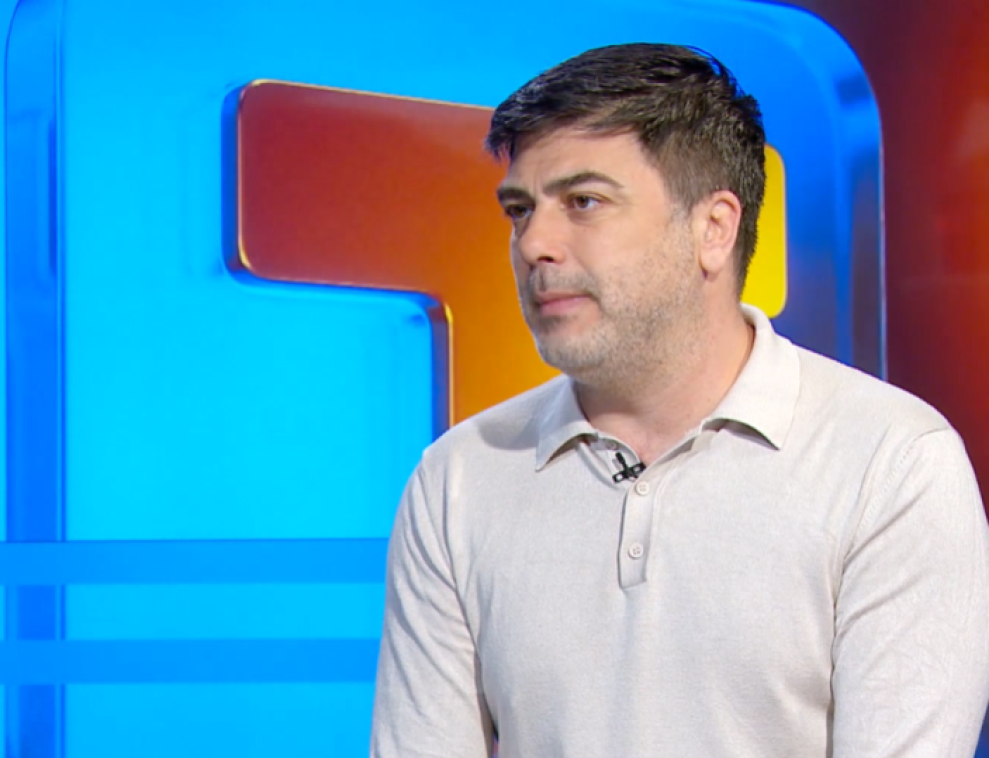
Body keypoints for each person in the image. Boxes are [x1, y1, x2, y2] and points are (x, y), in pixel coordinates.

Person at [369, 43, 989, 757]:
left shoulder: (892, 464)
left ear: (713, 229)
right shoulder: (458, 479)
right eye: (520, 210)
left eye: (584, 202)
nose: (534, 243)